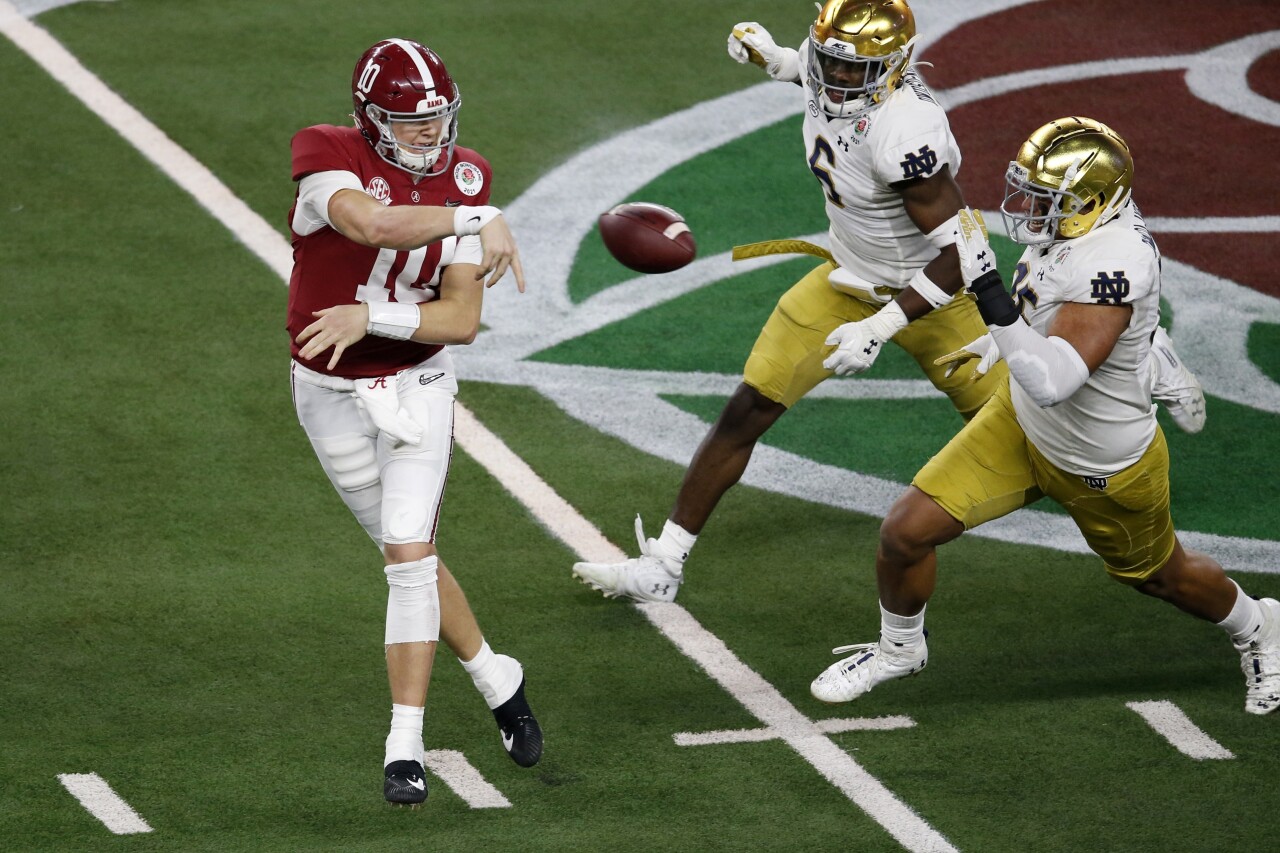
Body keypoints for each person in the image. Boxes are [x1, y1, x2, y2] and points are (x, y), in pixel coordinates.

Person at [571, 0, 1203, 604]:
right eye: (830, 60)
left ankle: (1143, 357)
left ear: (895, 67)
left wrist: (885, 323)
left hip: (939, 299)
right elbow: (825, 84)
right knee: (749, 407)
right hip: (848, 279)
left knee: (1042, 437)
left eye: (856, 68)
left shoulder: (906, 134)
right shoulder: (835, 82)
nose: (839, 78)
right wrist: (777, 60)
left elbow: (961, 250)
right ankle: (665, 563)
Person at [809, 117, 1278, 716]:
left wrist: (989, 297)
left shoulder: (1113, 265)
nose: (1028, 208)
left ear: (1094, 203)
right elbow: (1043, 325)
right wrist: (1006, 332)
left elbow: (1054, 381)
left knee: (1161, 576)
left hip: (1100, 461)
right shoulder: (1078, 230)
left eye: (1048, 199)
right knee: (905, 532)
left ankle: (1260, 625)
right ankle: (899, 651)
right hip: (1022, 422)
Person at [287, 37, 541, 808]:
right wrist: (474, 215)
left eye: (437, 118)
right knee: (413, 558)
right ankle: (499, 676)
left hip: (416, 382)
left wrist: (376, 314)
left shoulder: (470, 176)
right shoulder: (324, 153)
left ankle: (405, 743)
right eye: (409, 121)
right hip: (326, 391)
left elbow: (461, 319)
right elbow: (370, 225)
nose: (429, 134)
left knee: (406, 553)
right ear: (369, 119)